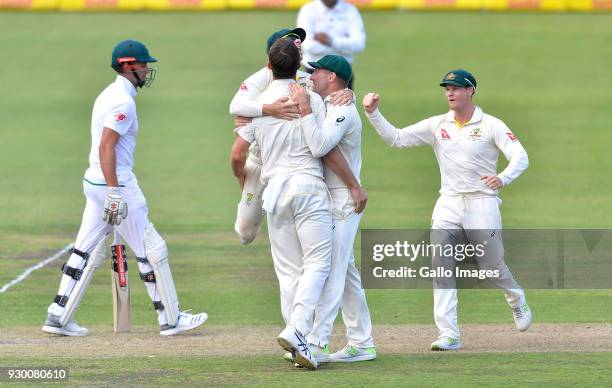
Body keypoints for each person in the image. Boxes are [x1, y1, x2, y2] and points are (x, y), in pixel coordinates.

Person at [42, 40, 207, 337]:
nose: (147, 70)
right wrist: (116, 192)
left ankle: (58, 315)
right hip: (114, 183)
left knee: (85, 250)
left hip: (94, 182)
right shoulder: (123, 102)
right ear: (129, 66)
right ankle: (171, 318)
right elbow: (108, 146)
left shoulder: (110, 93)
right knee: (152, 248)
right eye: (144, 65)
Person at [363, 69, 532, 351]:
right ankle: (449, 333)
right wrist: (373, 113)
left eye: (455, 87)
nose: (450, 93)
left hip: (482, 201)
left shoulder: (491, 125)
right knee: (441, 263)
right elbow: (397, 138)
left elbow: (520, 156)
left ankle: (516, 298)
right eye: (446, 88)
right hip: (449, 202)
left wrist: (502, 178)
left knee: (490, 264)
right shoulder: (437, 124)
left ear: (471, 91)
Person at [230, 39, 366, 370]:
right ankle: (298, 331)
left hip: (273, 192)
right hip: (308, 189)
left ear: (269, 64)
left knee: (289, 270)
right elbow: (323, 146)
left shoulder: (257, 104)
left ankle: (297, 342)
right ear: (297, 64)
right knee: (319, 263)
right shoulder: (312, 100)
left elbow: (238, 150)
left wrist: (242, 181)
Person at [287, 55, 376, 363]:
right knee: (345, 270)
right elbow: (286, 70)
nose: (310, 76)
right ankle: (362, 342)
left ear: (333, 77)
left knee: (332, 271)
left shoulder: (343, 109)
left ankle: (317, 342)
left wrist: (308, 109)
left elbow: (321, 146)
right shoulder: (328, 100)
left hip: (343, 199)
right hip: (328, 195)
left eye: (318, 72)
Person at [229, 27, 352, 245]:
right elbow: (236, 106)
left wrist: (348, 92)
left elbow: (333, 86)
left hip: (296, 163)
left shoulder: (305, 76)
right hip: (260, 161)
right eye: (293, 43)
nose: (299, 46)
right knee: (246, 234)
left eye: (299, 42)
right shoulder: (260, 79)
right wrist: (267, 109)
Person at [297, 0, 365, 89]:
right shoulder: (308, 10)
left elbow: (359, 44)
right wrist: (344, 47)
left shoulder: (350, 10)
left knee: (344, 102)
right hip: (313, 72)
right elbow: (308, 46)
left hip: (342, 73)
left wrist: (330, 41)